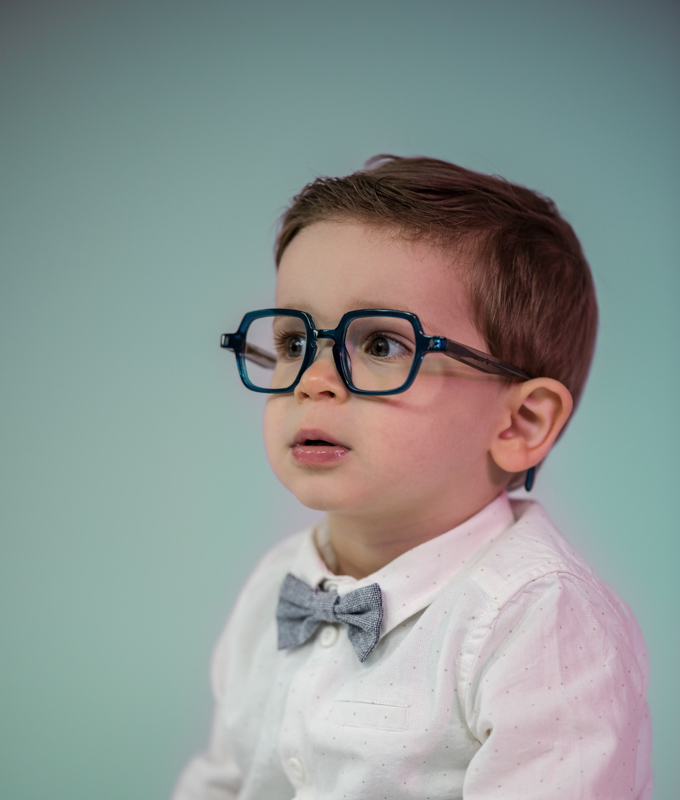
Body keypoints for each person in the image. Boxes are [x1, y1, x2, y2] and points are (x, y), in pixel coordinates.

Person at [172, 155, 652, 799]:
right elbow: (223, 782)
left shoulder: (541, 623)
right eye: (293, 342)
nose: (312, 381)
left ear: (521, 424)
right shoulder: (275, 586)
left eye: (378, 346)